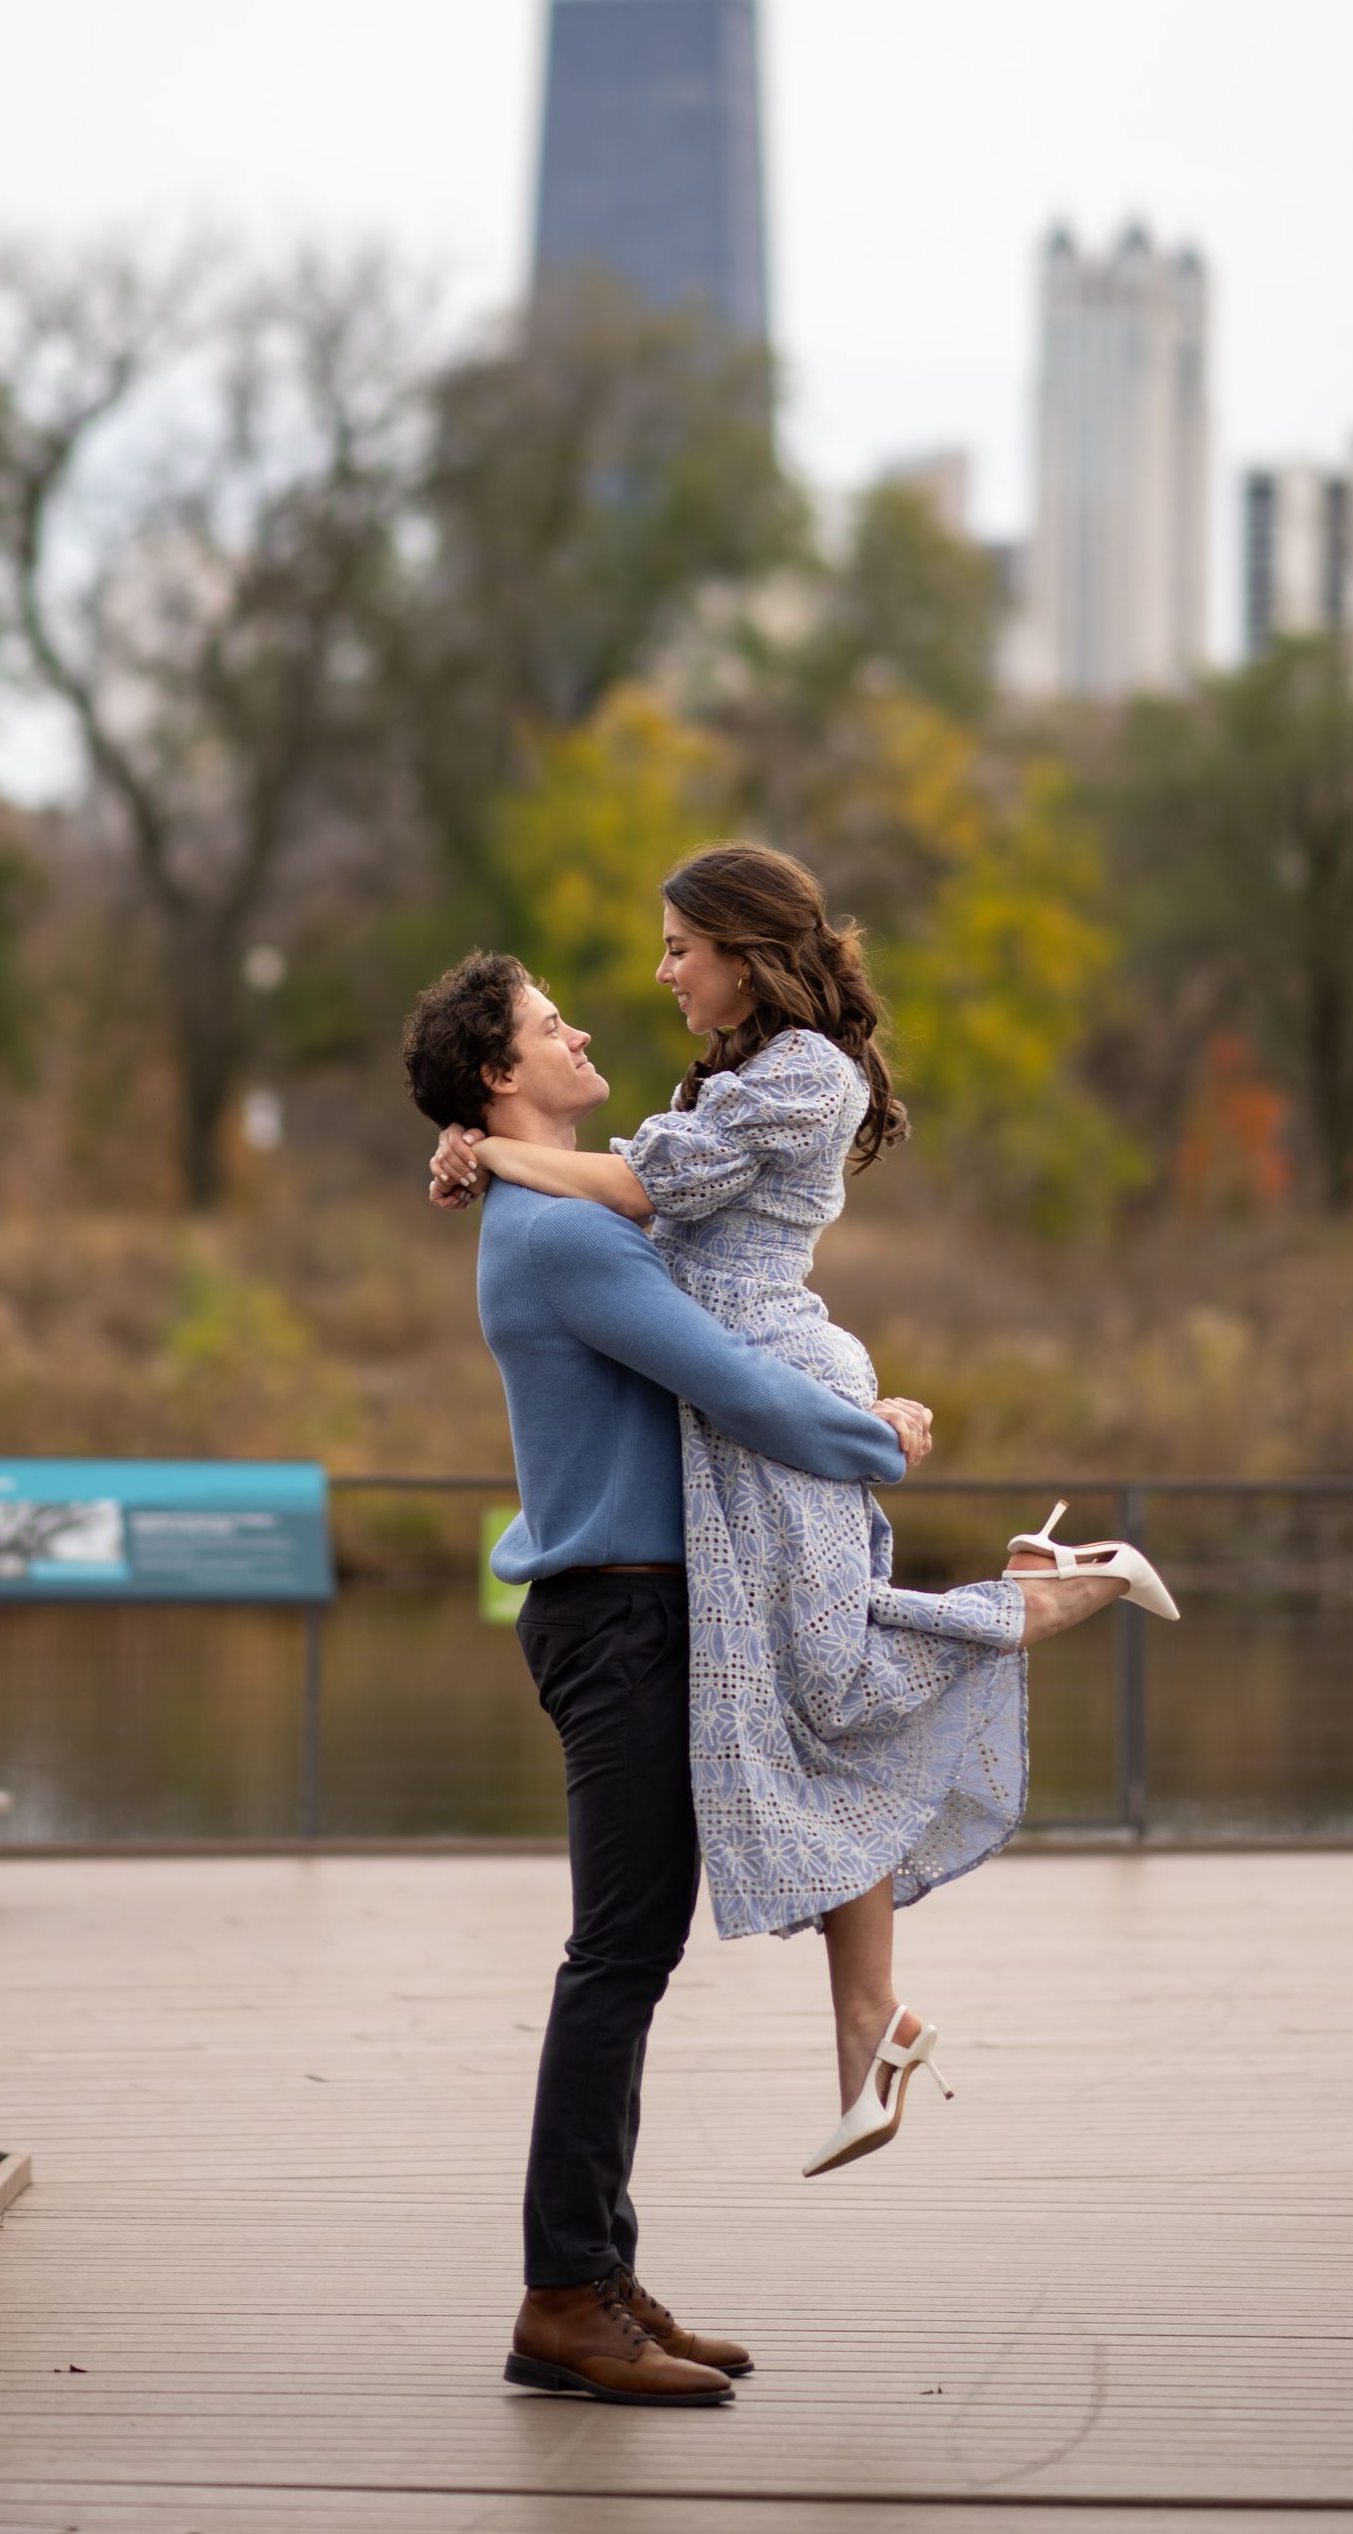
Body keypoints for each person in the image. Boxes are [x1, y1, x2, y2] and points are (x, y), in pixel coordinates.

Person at [425, 845, 1178, 2194]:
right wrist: (490, 1157)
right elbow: (631, 1201)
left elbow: (645, 1202)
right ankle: (866, 2024)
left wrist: (861, 1435)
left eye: (676, 947)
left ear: (744, 947)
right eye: (558, 1017)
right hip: (746, 1412)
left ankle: (1041, 1596)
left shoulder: (801, 1075)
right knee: (810, 1691)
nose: (649, 978)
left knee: (826, 1682)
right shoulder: (710, 1089)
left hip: (772, 1388)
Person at [401, 946, 938, 2408]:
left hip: (642, 1614)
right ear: (505, 1075)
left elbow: (676, 1205)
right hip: (621, 1619)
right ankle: (562, 2299)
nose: (584, 1027)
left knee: (627, 1961)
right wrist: (870, 1440)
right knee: (617, 1961)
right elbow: (732, 1383)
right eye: (547, 1025)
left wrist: (475, 1152)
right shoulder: (564, 1238)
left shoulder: (550, 1204)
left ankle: (599, 2274)